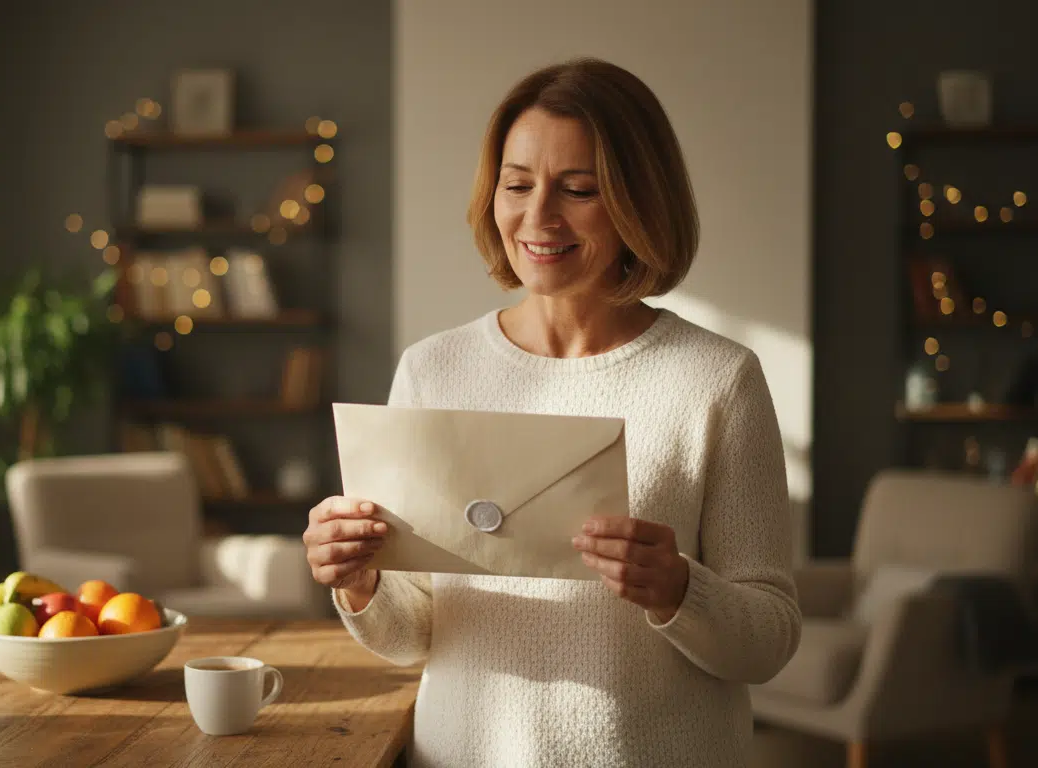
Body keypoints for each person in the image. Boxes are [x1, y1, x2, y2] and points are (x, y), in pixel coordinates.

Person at [302, 57, 800, 767]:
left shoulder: (717, 380)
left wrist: (681, 590)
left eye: (578, 189)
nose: (538, 218)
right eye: (517, 184)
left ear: (638, 202)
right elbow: (412, 635)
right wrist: (359, 582)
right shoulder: (432, 369)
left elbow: (770, 639)